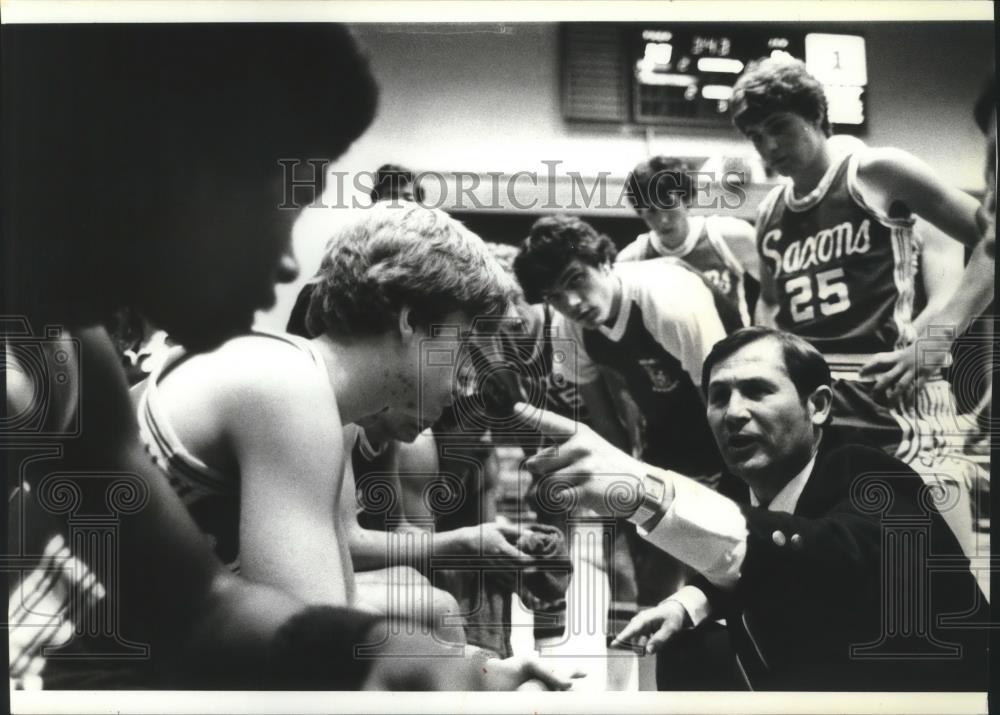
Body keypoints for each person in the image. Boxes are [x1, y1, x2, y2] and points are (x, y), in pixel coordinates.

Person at [5, 24, 571, 692]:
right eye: (286, 205)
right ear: (175, 175)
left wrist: (443, 665)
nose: (286, 264)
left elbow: (200, 603)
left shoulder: (74, 347)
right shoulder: (286, 383)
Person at [135, 203, 533, 640]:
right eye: (460, 345)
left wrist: (477, 673)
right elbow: (312, 656)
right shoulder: (291, 388)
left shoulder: (307, 387)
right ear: (411, 322)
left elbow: (336, 606)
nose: (463, 379)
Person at [523, 327, 988, 691]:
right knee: (688, 650)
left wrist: (645, 489)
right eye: (718, 396)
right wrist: (690, 603)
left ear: (819, 406)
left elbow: (823, 558)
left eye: (757, 391)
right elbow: (758, 555)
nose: (733, 412)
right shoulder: (741, 484)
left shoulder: (873, 477)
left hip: (943, 699)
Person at [730, 56, 993, 555]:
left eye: (778, 128)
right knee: (839, 588)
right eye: (755, 136)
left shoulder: (875, 171)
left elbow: (991, 241)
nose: (768, 147)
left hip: (897, 395)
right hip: (822, 411)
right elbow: (769, 306)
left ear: (816, 117)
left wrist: (938, 338)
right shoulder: (768, 212)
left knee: (940, 584)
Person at [514, 214, 738, 608]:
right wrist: (625, 483)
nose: (572, 303)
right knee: (652, 577)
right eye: (554, 296)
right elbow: (602, 423)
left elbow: (727, 402)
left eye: (576, 280)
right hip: (665, 429)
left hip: (727, 417)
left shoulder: (670, 304)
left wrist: (732, 489)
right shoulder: (567, 328)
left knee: (718, 568)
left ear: (604, 261)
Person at [621, 156, 760, 325]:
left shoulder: (729, 235)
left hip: (732, 348)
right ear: (640, 213)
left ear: (686, 200)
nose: (663, 220)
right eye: (651, 212)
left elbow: (773, 296)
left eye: (668, 205)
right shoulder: (632, 261)